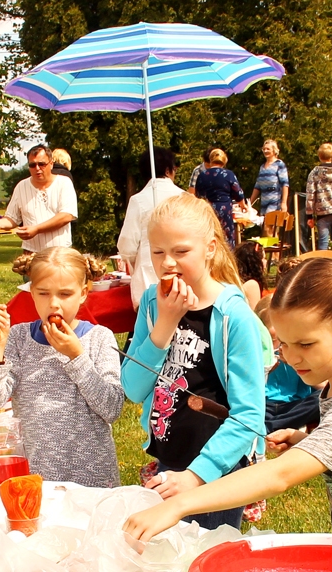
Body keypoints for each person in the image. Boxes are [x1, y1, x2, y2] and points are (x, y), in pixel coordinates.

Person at [124, 254, 332, 555]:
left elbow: (278, 476)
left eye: (305, 344)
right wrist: (307, 441)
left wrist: (179, 504)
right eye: (285, 343)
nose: (291, 358)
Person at [120, 193, 265, 531]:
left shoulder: (233, 316)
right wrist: (164, 326)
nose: (167, 263)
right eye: (157, 252)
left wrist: (198, 476)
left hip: (217, 472)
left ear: (210, 248)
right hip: (168, 461)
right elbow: (133, 387)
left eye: (181, 251)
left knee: (208, 556)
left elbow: (249, 416)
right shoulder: (153, 304)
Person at [0, 247, 124, 487]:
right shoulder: (19, 338)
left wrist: (76, 356)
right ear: (31, 293)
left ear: (83, 293)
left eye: (65, 294)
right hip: (38, 475)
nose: (54, 304)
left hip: (92, 477)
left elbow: (111, 408)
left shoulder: (99, 338)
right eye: (44, 293)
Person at [117, 147, 186, 310]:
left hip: (147, 279)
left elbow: (126, 246)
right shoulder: (185, 198)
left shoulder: (138, 200)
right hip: (183, 278)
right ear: (170, 170)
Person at [0, 144, 78, 254]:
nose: (37, 168)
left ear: (51, 164)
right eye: (32, 165)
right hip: (31, 253)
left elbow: (66, 216)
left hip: (60, 252)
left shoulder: (64, 183)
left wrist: (37, 229)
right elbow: (12, 218)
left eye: (41, 164)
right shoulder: (21, 186)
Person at [256, 295, 321, 434]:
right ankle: (272, 424)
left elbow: (323, 385)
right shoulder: (257, 347)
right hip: (264, 403)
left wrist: (295, 363)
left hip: (293, 405)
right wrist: (267, 369)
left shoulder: (301, 347)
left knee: (320, 398)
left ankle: (268, 426)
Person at [194, 149, 247, 249]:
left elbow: (198, 194)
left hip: (207, 209)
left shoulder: (202, 175)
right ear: (224, 161)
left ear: (210, 160)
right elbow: (238, 193)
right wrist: (243, 206)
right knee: (227, 238)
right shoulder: (228, 174)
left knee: (209, 236)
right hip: (224, 209)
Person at [249, 139, 290, 235]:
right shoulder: (262, 167)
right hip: (264, 201)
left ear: (274, 150)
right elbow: (257, 186)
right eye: (264, 149)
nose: (265, 151)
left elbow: (285, 184)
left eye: (268, 149)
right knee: (266, 229)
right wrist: (249, 203)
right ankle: (269, 249)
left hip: (275, 201)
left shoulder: (279, 164)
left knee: (269, 228)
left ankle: (273, 250)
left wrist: (284, 202)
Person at [234, 241, 268, 310]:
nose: (265, 261)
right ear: (255, 261)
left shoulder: (238, 281)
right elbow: (254, 316)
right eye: (263, 258)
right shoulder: (252, 285)